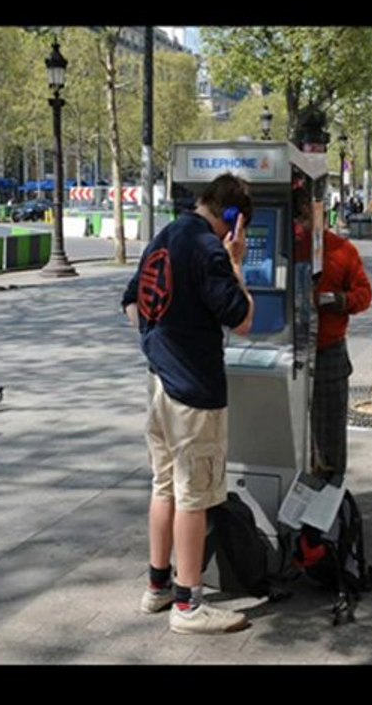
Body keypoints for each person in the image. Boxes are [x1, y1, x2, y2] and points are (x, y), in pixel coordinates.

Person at [121, 174, 255, 634]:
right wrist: (237, 263)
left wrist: (160, 347)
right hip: (195, 391)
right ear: (233, 218)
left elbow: (131, 305)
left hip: (159, 385)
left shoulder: (165, 236)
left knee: (164, 487)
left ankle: (157, 587)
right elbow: (242, 319)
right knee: (194, 495)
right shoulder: (209, 249)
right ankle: (188, 605)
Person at [294, 184, 372, 479]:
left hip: (328, 352)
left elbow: (364, 294)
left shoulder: (342, 250)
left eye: (307, 215)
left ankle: (330, 488)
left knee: (329, 435)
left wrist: (339, 301)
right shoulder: (286, 246)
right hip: (289, 350)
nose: (302, 223)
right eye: (297, 215)